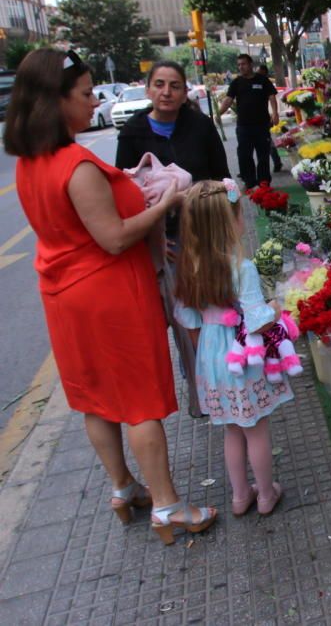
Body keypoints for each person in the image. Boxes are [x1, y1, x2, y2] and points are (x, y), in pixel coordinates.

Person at [6, 48, 216, 545]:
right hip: (109, 294)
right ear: (55, 102)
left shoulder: (30, 163)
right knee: (139, 401)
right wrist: (165, 201)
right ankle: (168, 506)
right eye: (83, 94)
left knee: (95, 399)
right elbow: (115, 237)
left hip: (62, 293)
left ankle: (124, 488)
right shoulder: (75, 164)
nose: (90, 101)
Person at [116, 60, 230, 420]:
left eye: (175, 86)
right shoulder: (133, 134)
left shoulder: (199, 126)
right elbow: (124, 193)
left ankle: (224, 381)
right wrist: (151, 241)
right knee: (184, 322)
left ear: (185, 92)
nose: (167, 92)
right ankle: (202, 398)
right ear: (148, 89)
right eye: (160, 84)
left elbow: (221, 179)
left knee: (216, 312)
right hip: (165, 241)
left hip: (206, 235)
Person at [173, 180, 292, 517]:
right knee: (256, 429)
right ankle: (266, 493)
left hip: (211, 357)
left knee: (231, 428)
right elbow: (257, 321)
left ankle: (240, 496)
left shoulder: (188, 267)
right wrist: (276, 309)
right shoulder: (242, 268)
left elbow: (188, 320)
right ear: (232, 221)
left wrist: (206, 355)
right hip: (242, 356)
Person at [218, 54, 279, 188]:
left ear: (250, 64)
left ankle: (264, 182)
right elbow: (228, 100)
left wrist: (275, 113)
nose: (241, 67)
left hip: (262, 125)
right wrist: (218, 114)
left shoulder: (263, 80)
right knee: (244, 155)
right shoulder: (236, 82)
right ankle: (249, 182)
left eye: (243, 64)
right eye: (239, 65)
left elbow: (272, 97)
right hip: (244, 126)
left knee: (263, 155)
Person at [257, 63, 283, 173]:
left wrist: (275, 114)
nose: (259, 75)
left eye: (261, 73)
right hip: (252, 119)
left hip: (264, 117)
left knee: (268, 142)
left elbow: (272, 98)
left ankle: (276, 162)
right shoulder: (253, 81)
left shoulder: (265, 83)